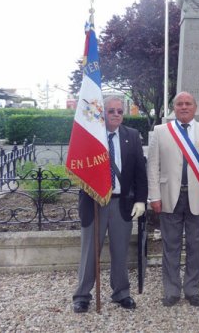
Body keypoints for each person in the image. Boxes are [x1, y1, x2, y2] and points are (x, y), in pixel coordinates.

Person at [73, 96, 148, 313]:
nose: (115, 114)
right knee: (89, 252)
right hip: (94, 203)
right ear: (102, 113)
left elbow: (140, 173)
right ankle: (82, 295)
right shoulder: (91, 136)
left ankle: (121, 293)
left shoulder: (132, 136)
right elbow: (79, 168)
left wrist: (141, 200)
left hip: (121, 203)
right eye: (111, 111)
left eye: (119, 111)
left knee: (120, 251)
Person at [147, 92, 199, 307]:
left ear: (195, 107)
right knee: (170, 247)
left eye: (188, 103)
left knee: (196, 247)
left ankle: (192, 290)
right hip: (169, 197)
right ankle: (171, 291)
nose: (184, 107)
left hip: (198, 197)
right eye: (179, 104)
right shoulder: (161, 132)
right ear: (174, 108)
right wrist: (154, 196)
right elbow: (153, 167)